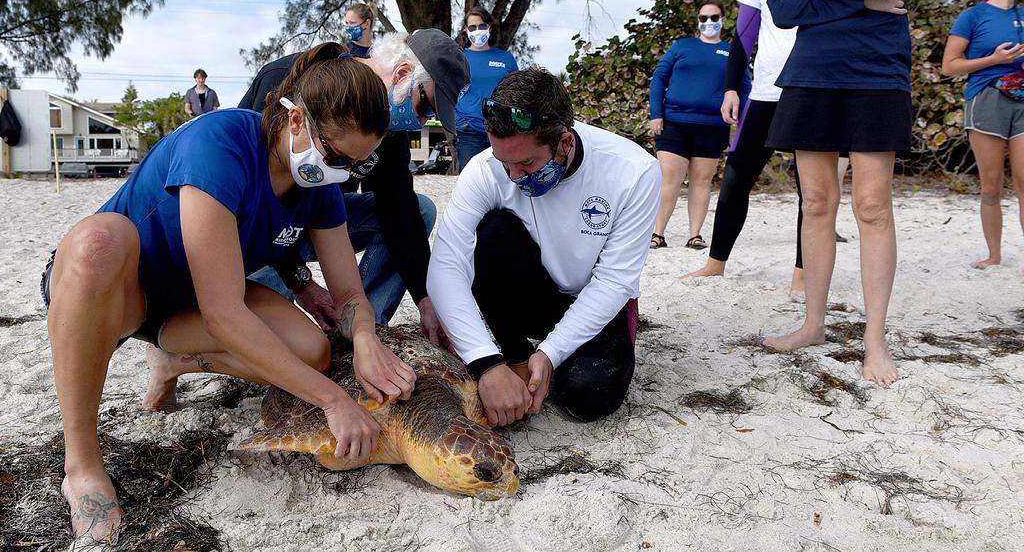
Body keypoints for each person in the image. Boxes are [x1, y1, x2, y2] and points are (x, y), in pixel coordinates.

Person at [43, 43, 417, 542]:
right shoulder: (219, 141)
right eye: (333, 154)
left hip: (183, 305)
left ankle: (175, 359)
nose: (339, 172)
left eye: (356, 166)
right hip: (113, 288)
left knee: (313, 350)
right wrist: (333, 401)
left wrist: (366, 337)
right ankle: (82, 462)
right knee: (100, 240)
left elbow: (348, 292)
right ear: (296, 119)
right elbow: (223, 313)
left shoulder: (320, 185)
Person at [428, 67, 660, 425]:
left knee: (589, 396)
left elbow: (614, 280)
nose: (514, 177)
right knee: (491, 229)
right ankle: (516, 352)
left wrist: (551, 353)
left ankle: (556, 353)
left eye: (526, 163)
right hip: (529, 288)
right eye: (504, 162)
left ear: (565, 142)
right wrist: (485, 361)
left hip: (591, 294)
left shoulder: (634, 172)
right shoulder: (485, 169)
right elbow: (446, 265)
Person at [764, 0, 921, 387]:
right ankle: (813, 325)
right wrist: (861, 1)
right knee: (815, 202)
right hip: (811, 70)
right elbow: (782, 8)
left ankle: (875, 340)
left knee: (872, 207)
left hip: (875, 70)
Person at [240, 30, 470, 344]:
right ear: (402, 74)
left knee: (420, 209)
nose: (422, 122)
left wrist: (424, 297)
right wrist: (300, 279)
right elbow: (246, 188)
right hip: (260, 227)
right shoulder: (289, 79)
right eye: (426, 107)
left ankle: (362, 328)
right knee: (269, 339)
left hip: (324, 221)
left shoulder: (391, 131)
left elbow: (398, 209)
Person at [679, 0, 848, 297]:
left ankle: (802, 276)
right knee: (737, 177)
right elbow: (743, 36)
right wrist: (731, 89)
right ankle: (715, 262)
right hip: (767, 90)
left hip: (813, 88)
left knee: (813, 189)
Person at [942, 0, 1024, 279]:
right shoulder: (972, 16)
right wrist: (993, 59)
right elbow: (950, 66)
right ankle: (994, 255)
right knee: (991, 187)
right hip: (986, 99)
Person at [648, 0, 750, 251]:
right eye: (703, 18)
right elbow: (659, 78)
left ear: (722, 21)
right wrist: (656, 113)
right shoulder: (683, 46)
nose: (708, 23)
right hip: (674, 123)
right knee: (669, 179)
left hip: (713, 126)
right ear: (697, 21)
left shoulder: (731, 52)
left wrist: (742, 122)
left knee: (702, 181)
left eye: (714, 18)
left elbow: (745, 89)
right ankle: (657, 234)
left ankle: (695, 235)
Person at [454, 7, 519, 168]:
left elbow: (518, 92)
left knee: (504, 180)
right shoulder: (458, 58)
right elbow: (446, 91)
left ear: (489, 27)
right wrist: (459, 121)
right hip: (468, 132)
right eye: (472, 27)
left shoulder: (505, 58)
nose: (478, 31)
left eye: (482, 26)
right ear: (466, 30)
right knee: (471, 183)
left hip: (501, 131)